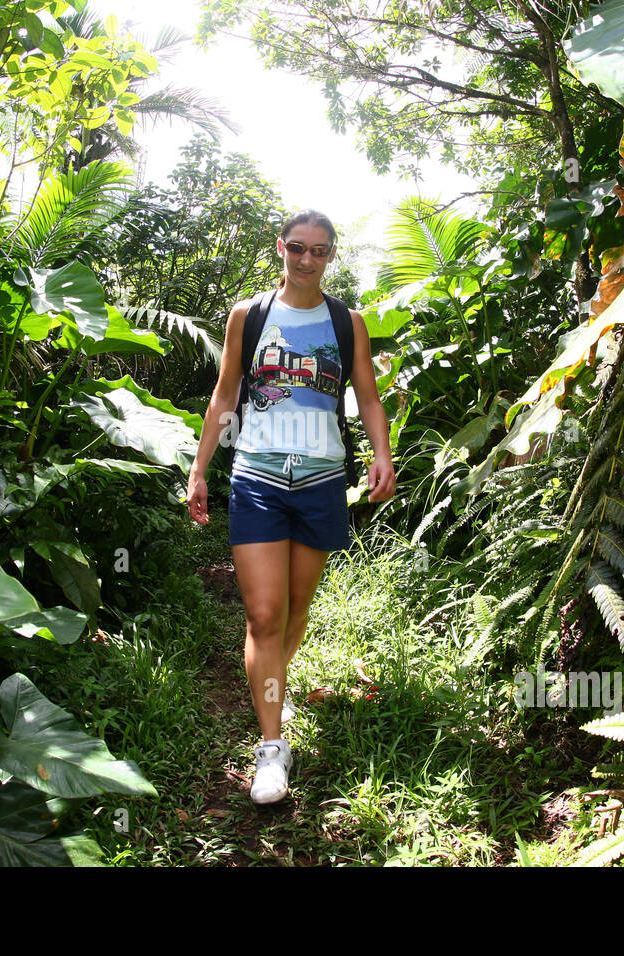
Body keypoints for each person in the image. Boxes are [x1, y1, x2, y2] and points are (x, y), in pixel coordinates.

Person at [186, 209, 396, 805]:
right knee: (263, 614)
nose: (307, 260)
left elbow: (366, 396)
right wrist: (200, 468)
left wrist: (383, 455)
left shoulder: (345, 321)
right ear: (280, 247)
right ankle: (271, 747)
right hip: (256, 477)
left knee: (296, 607)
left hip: (323, 481)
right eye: (298, 248)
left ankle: (271, 678)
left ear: (332, 256)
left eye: (320, 251)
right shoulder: (248, 317)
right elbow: (226, 394)